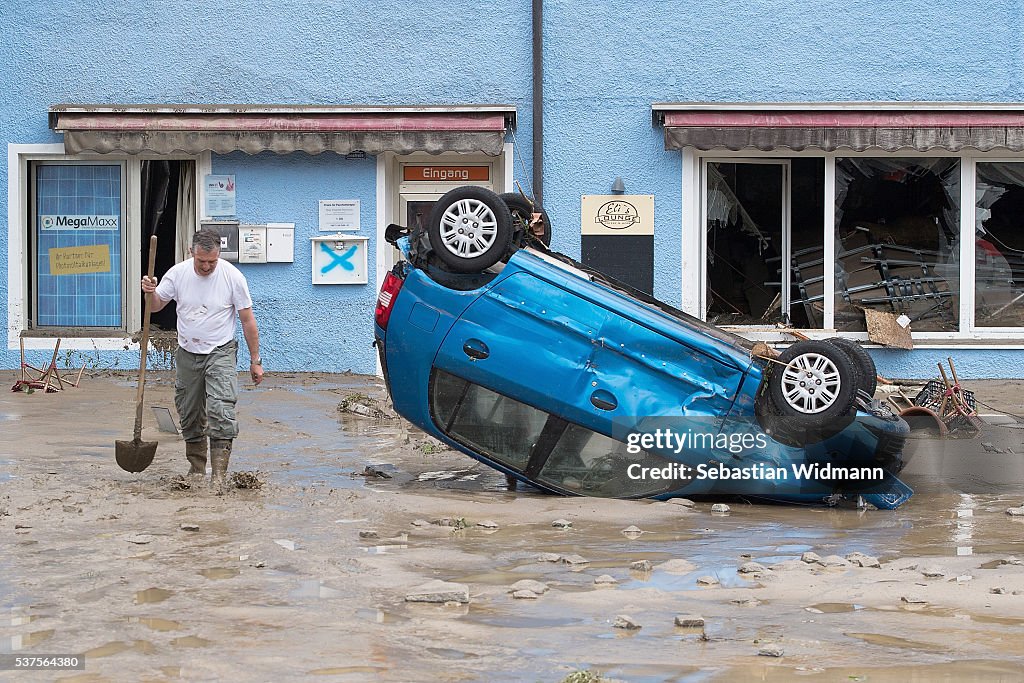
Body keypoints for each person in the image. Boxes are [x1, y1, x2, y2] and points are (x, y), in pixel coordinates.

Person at [141, 229, 264, 490]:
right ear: (191, 253)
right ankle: (197, 469)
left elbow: (247, 320)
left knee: (221, 409)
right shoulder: (178, 274)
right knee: (189, 410)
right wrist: (149, 292)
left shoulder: (232, 277)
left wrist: (256, 360)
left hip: (220, 351)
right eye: (201, 261)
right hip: (187, 352)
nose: (207, 266)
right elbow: (155, 307)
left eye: (212, 261)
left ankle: (219, 475)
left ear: (219, 255)